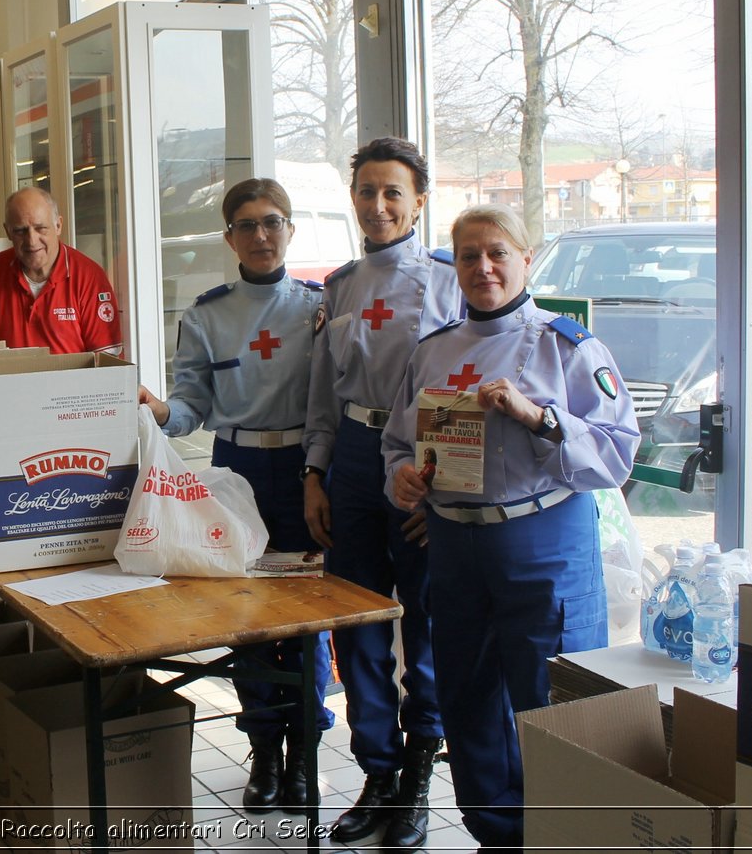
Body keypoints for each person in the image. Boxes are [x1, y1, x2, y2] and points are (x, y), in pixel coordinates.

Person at [382, 203, 639, 852]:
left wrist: (540, 416)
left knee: (554, 697)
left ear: (527, 257)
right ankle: (496, 831)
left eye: (497, 251)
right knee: (467, 696)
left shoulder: (567, 344)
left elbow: (616, 452)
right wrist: (405, 477)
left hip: (543, 540)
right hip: (456, 546)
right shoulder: (433, 352)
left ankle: (565, 837)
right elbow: (395, 444)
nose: (483, 266)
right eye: (468, 255)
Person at [138, 179, 331, 815]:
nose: (260, 235)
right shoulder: (206, 315)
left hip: (306, 467)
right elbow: (192, 405)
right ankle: (264, 753)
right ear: (229, 239)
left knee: (305, 619)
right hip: (237, 467)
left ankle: (303, 753)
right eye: (245, 225)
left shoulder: (318, 308)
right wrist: (163, 412)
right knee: (245, 616)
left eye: (272, 222)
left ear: (291, 230)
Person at [301, 137, 464, 849]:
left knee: (422, 616)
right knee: (357, 618)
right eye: (366, 190)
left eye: (393, 192)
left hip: (423, 463)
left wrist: (447, 487)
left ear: (420, 199)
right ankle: (377, 770)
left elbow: (462, 384)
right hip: (356, 459)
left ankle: (421, 768)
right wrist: (315, 471)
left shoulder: (452, 279)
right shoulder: (338, 285)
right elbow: (322, 390)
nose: (378, 205)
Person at [0, 187, 121, 353]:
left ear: (58, 226)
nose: (32, 241)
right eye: (20, 231)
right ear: (8, 232)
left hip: (70, 379)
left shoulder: (89, 278)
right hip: (9, 378)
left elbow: (107, 361)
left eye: (40, 228)